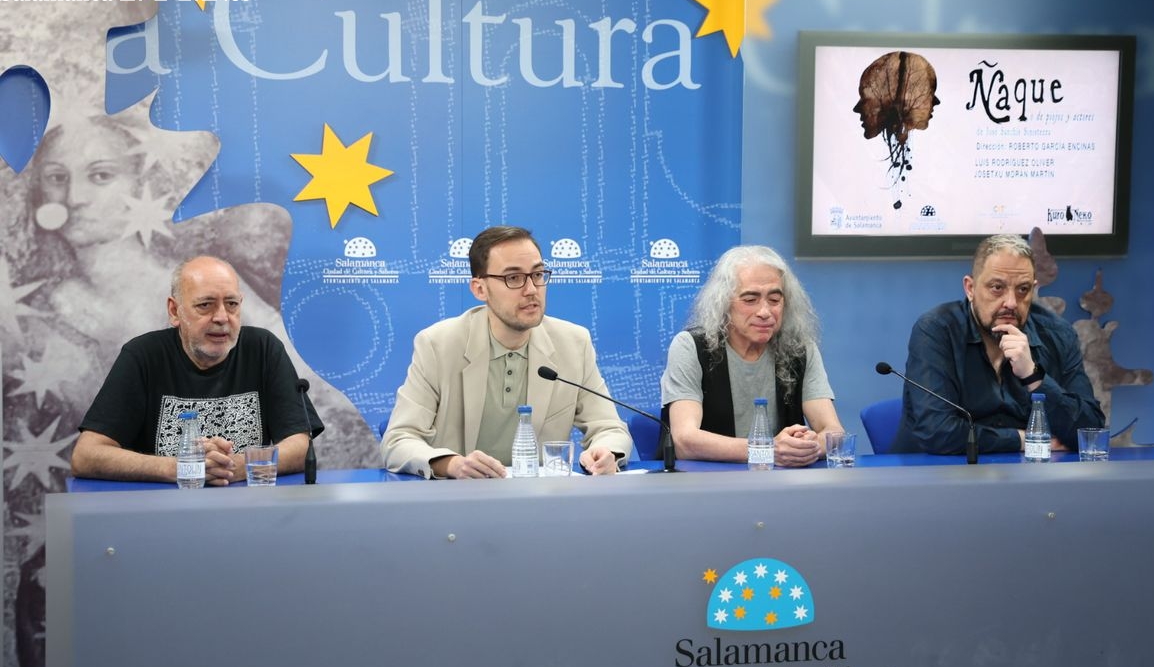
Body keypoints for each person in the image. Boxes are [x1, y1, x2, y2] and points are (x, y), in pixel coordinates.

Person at [381, 226, 632, 479]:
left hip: (542, 497)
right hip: (460, 496)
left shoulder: (573, 343)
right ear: (479, 289)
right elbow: (398, 440)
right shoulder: (438, 345)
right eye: (513, 278)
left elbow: (609, 428)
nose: (531, 289)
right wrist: (451, 464)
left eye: (537, 274)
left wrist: (606, 452)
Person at [70, 255, 323, 484]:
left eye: (232, 304)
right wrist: (180, 468)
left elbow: (301, 447)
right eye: (205, 305)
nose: (222, 317)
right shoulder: (143, 356)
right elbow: (86, 455)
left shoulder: (264, 349)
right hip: (161, 512)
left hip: (249, 511)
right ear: (174, 311)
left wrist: (235, 466)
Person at [893, 234, 1105, 455]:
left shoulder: (1058, 335)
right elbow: (937, 431)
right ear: (970, 288)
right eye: (997, 287)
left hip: (1027, 473)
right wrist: (1023, 440)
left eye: (1023, 289)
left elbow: (1090, 432)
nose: (1011, 303)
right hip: (937, 472)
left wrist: (1034, 376)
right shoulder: (937, 330)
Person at [660, 245, 845, 467]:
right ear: (723, 302)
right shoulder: (691, 347)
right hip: (707, 479)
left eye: (774, 300)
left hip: (782, 480)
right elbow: (684, 441)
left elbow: (834, 432)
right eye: (750, 300)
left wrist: (806, 447)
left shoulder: (800, 349)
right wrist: (768, 450)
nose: (765, 312)